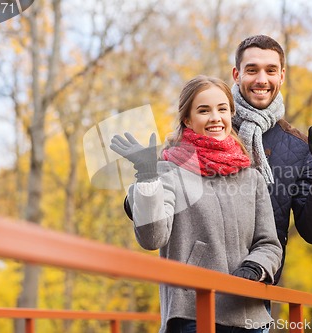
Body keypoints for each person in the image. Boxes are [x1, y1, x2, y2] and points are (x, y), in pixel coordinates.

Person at [110, 75, 282, 333]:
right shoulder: (169, 172)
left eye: (222, 109)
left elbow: (269, 243)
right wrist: (147, 176)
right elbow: (152, 238)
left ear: (230, 114)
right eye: (204, 110)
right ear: (187, 120)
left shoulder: (251, 176)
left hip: (249, 316)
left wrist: (254, 267)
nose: (215, 118)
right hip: (193, 314)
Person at [231, 34, 312, 284]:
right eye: (252, 70)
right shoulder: (210, 127)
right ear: (236, 74)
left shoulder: (298, 147)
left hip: (257, 294)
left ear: (281, 76)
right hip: (197, 290)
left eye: (270, 70)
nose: (262, 79)